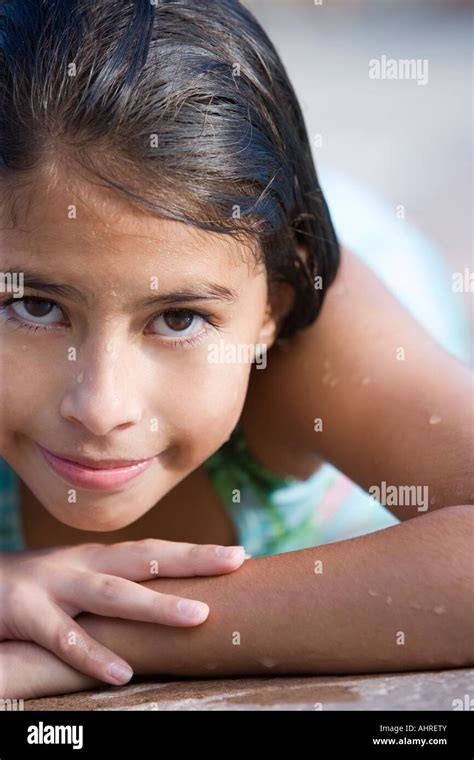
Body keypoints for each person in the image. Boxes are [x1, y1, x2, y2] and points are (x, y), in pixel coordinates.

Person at [0, 0, 472, 699]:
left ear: (268, 314)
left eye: (179, 320)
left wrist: (87, 628)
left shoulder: (303, 328)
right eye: (35, 307)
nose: (101, 407)